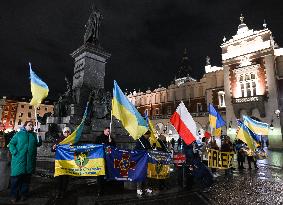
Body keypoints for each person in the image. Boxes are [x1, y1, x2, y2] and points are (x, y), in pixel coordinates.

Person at [8, 121, 42, 204]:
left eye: (32, 125)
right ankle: (14, 196)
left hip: (29, 161)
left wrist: (39, 138)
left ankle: (24, 194)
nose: (31, 127)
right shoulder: (19, 134)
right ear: (25, 126)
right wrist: (15, 153)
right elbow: (11, 144)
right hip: (19, 161)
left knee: (26, 180)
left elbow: (38, 144)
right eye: (30, 125)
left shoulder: (34, 135)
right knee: (15, 180)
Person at [94, 127, 116, 196]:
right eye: (107, 131)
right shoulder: (99, 138)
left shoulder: (111, 139)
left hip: (107, 159)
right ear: (104, 130)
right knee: (100, 175)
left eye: (109, 132)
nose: (108, 133)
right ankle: (99, 190)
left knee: (106, 175)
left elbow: (114, 147)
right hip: (100, 159)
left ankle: (105, 189)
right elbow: (95, 146)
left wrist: (111, 142)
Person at [51, 127, 71, 199]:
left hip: (68, 162)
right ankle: (58, 191)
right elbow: (52, 149)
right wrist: (54, 147)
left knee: (66, 178)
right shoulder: (58, 140)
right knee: (59, 177)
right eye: (65, 132)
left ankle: (63, 191)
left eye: (68, 132)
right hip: (59, 162)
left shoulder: (72, 140)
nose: (66, 133)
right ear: (63, 132)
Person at [135, 130, 153, 197]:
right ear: (146, 135)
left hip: (146, 160)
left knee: (147, 174)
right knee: (140, 174)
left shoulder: (147, 141)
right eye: (149, 135)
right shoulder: (139, 140)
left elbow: (149, 149)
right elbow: (136, 149)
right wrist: (143, 151)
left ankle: (147, 187)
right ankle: (139, 189)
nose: (149, 136)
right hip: (141, 160)